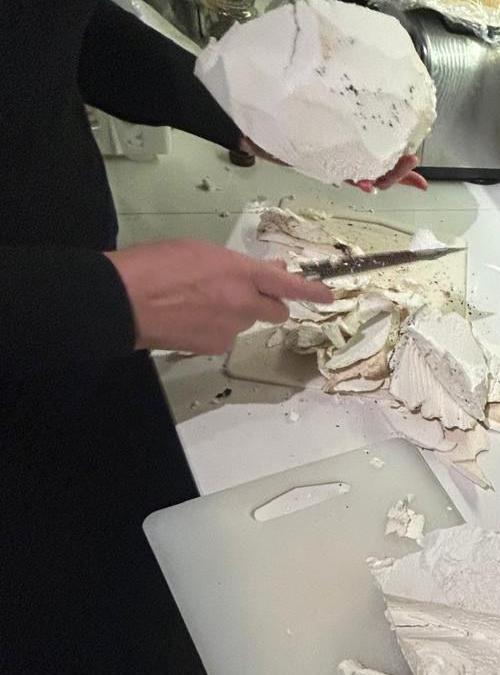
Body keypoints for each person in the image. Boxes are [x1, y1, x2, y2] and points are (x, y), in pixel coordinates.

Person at [0, 2, 425, 671]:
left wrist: (248, 109)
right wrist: (104, 300)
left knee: (185, 601)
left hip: (85, 324)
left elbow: (49, 34)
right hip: (52, 338)